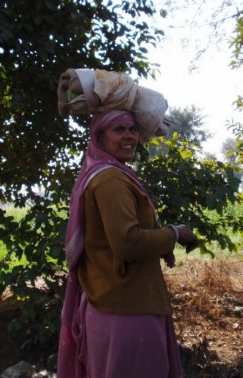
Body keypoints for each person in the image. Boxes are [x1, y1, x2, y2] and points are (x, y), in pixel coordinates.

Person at [57, 109, 199, 378]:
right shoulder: (110, 179)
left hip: (115, 302)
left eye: (132, 129)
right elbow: (127, 242)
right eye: (118, 130)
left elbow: (114, 238)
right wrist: (176, 233)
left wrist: (160, 244)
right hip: (126, 310)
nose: (129, 136)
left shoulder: (107, 174)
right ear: (99, 138)